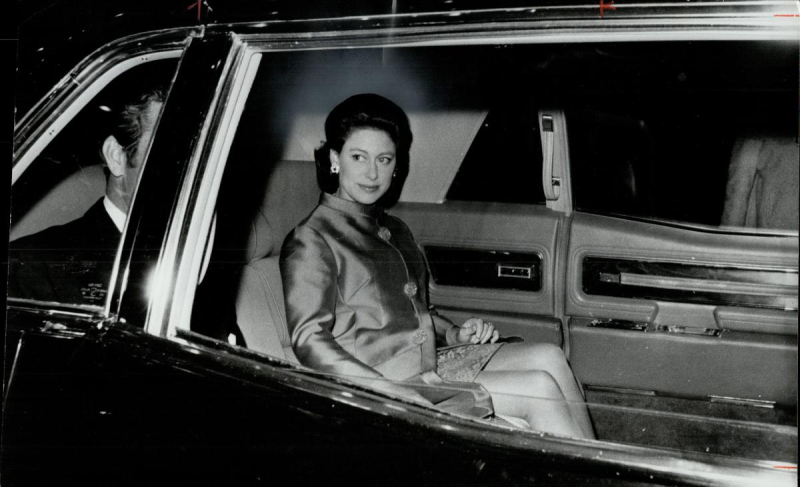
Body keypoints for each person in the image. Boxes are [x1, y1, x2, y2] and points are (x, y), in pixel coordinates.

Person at [280, 93, 595, 439]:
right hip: (381, 382)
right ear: (334, 159)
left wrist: (454, 334)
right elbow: (309, 339)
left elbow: (418, 311)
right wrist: (384, 389)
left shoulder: (394, 229)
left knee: (550, 356)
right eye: (358, 157)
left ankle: (599, 460)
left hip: (429, 364)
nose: (372, 173)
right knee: (538, 387)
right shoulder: (312, 238)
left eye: (384, 159)